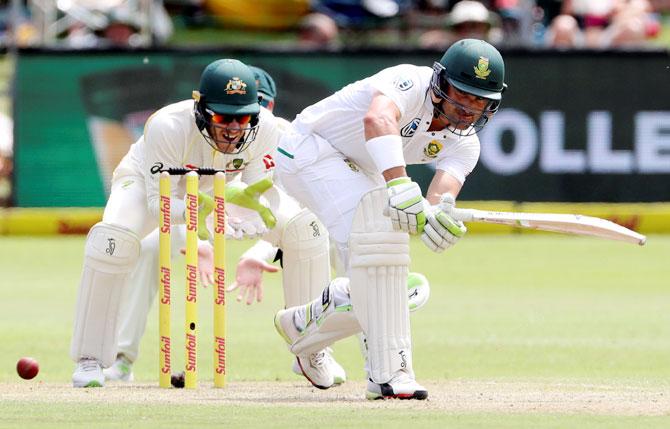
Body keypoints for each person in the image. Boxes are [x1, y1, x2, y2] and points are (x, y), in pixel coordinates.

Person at [69, 59, 342, 388]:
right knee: (111, 241)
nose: (233, 128)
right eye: (223, 116)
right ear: (201, 109)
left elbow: (259, 192)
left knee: (306, 229)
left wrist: (248, 217)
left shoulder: (266, 128)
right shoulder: (166, 126)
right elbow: (160, 204)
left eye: (243, 118)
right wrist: (205, 216)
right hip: (144, 185)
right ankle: (91, 360)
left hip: (218, 194)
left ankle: (312, 349)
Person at [272, 38, 506, 399]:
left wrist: (437, 220)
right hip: (309, 148)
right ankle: (390, 376)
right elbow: (377, 118)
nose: (467, 108)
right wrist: (398, 184)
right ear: (441, 83)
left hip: (359, 172)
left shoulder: (466, 143)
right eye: (461, 93)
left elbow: (437, 200)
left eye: (479, 101)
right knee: (379, 246)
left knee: (399, 285)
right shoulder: (410, 81)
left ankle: (306, 324)